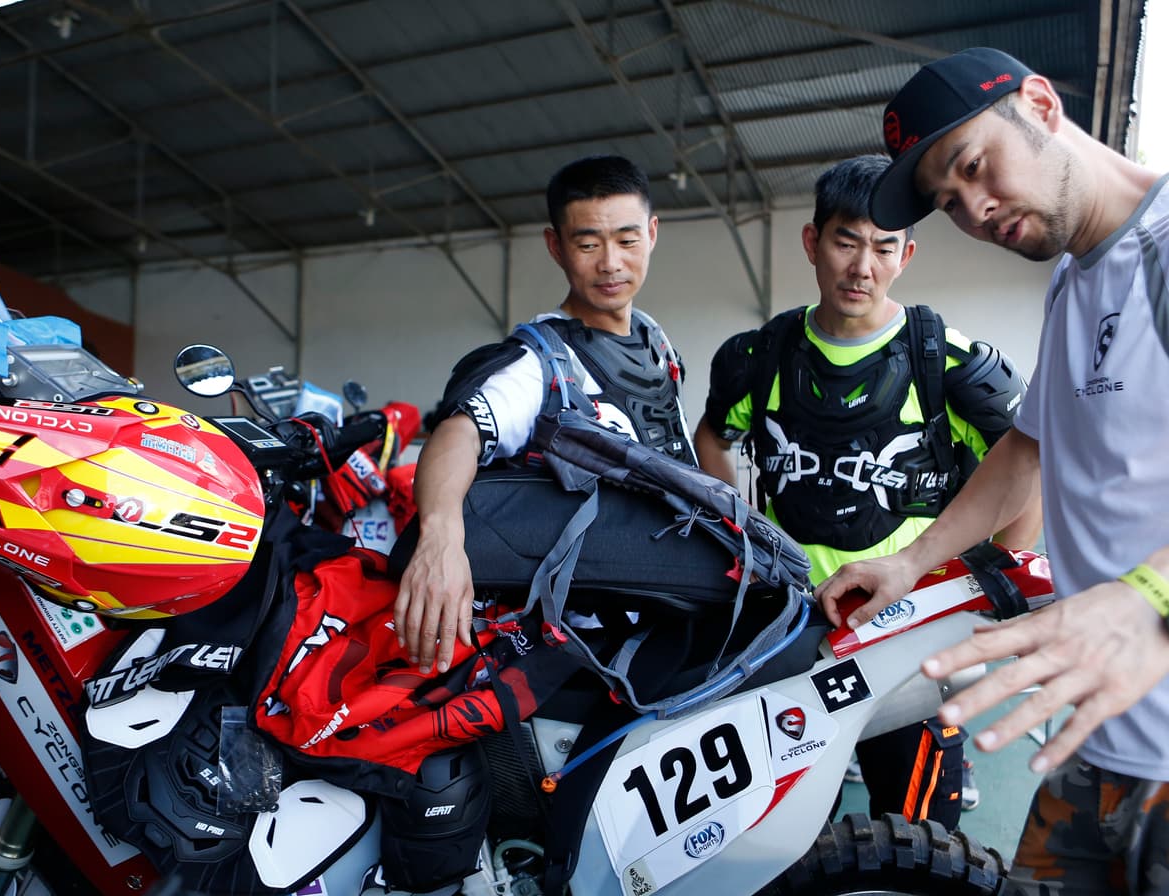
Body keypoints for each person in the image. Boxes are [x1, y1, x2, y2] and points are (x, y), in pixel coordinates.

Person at [815, 46, 1169, 892]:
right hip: (1097, 742)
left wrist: (1149, 594)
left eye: (974, 166)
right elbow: (1028, 448)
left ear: (1041, 104)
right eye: (948, 200)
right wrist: (911, 560)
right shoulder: (1076, 281)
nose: (975, 210)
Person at [694, 153, 1039, 831]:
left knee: (919, 838)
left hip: (908, 637)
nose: (862, 267)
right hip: (790, 632)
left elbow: (1027, 464)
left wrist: (991, 584)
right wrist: (737, 529)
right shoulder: (757, 358)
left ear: (906, 254)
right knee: (781, 839)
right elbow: (713, 435)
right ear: (812, 242)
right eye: (846, 242)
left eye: (883, 248)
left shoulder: (947, 361)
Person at [395, 154, 695, 676]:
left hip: (676, 612)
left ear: (651, 233)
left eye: (627, 240)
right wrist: (440, 537)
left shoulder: (655, 341)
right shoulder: (541, 363)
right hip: (590, 645)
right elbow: (459, 433)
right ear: (556, 246)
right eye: (588, 244)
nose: (610, 263)